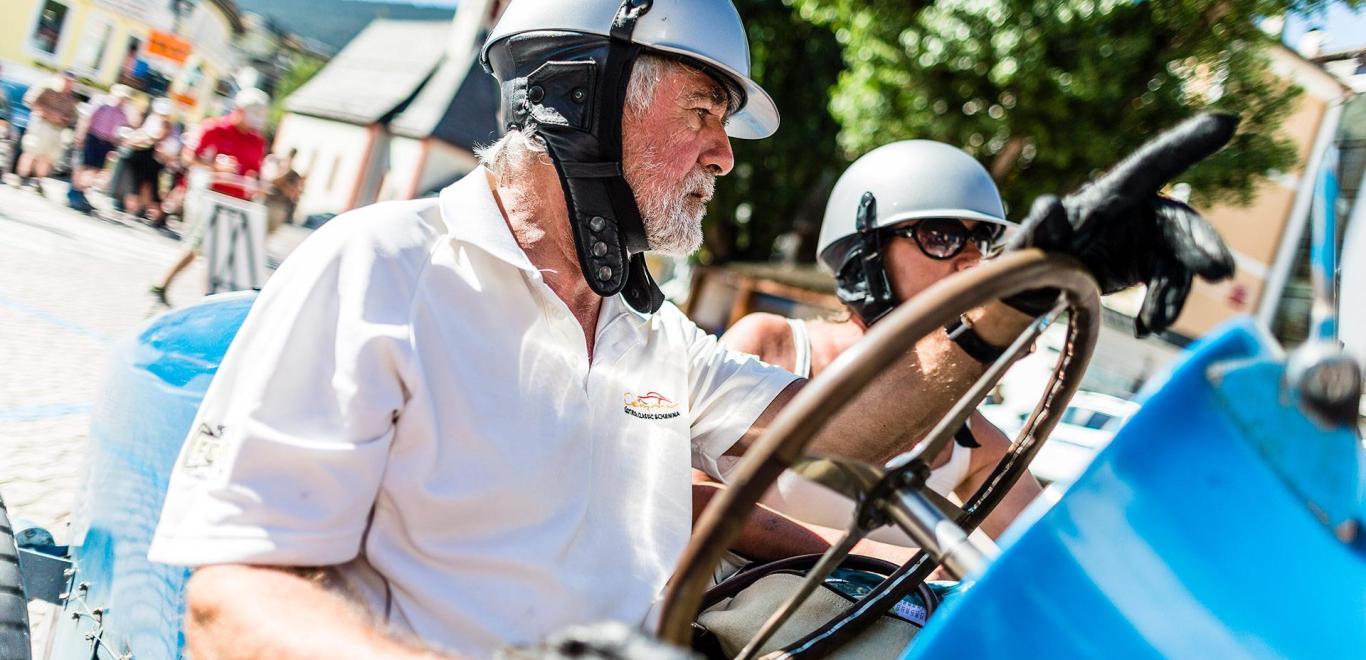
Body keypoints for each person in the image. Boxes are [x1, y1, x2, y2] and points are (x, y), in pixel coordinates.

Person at [145, 1, 1236, 657]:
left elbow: (845, 432)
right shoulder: (382, 266)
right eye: (703, 112)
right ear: (578, 96)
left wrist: (1024, 291)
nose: (724, 155)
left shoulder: (649, 335)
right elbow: (233, 601)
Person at [696, 141, 1040, 566]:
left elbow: (1055, 556)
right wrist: (884, 563)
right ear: (866, 252)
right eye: (942, 237)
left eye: (983, 241)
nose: (972, 260)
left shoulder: (971, 434)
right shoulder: (775, 345)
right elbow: (689, 494)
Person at [150, 89, 269, 305]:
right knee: (204, 245)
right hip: (208, 195)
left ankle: (165, 285)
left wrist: (260, 186)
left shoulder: (257, 140)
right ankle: (205, 298)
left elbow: (256, 172)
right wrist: (214, 165)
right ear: (239, 110)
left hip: (237, 202)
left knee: (212, 250)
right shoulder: (214, 128)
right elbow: (189, 157)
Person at [68, 85, 132, 212]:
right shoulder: (101, 103)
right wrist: (80, 135)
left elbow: (123, 129)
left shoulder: (122, 113)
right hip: (93, 137)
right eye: (121, 97)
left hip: (107, 142)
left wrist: (116, 145)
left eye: (125, 99)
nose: (122, 100)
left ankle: (82, 193)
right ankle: (74, 192)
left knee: (96, 169)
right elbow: (86, 119)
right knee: (85, 166)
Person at [16, 72, 78, 194]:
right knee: (31, 151)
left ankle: (38, 182)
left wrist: (64, 118)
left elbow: (73, 118)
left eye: (71, 82)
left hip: (57, 130)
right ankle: (21, 177)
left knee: (47, 158)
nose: (68, 84)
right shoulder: (47, 88)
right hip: (41, 124)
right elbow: (29, 100)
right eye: (66, 80)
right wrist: (48, 112)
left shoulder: (71, 98)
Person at [263, 147, 304, 231]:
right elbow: (272, 181)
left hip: (281, 206)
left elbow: (294, 193)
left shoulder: (294, 174)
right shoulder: (277, 165)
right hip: (269, 203)